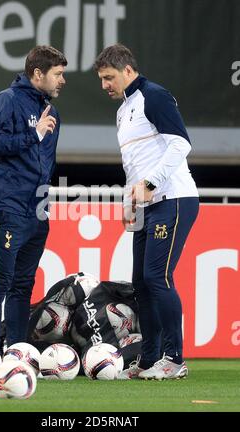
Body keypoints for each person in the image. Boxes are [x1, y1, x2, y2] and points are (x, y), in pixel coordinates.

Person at [94, 44, 199, 380]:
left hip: (173, 198)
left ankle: (174, 359)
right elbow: (134, 165)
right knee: (141, 283)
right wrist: (131, 202)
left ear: (127, 70)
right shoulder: (123, 111)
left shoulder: (154, 96)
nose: (105, 85)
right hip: (147, 205)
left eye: (109, 77)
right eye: (101, 79)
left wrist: (151, 184)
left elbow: (181, 143)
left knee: (158, 277)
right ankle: (148, 360)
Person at [0, 45, 67, 377]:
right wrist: (34, 133)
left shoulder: (52, 112)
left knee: (23, 285)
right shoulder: (7, 101)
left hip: (36, 211)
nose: (63, 80)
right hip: (4, 206)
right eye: (58, 73)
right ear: (38, 74)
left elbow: (45, 164)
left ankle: (16, 352)